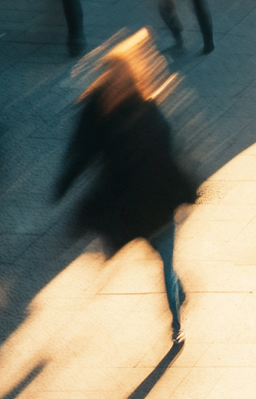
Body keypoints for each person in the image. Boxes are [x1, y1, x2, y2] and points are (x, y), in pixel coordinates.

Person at [55, 35, 198, 345]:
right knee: (159, 255)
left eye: (120, 74)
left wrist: (180, 185)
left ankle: (176, 324)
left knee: (165, 260)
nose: (115, 81)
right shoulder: (96, 110)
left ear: (131, 74)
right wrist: (64, 182)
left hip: (157, 200)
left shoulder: (144, 107)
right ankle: (177, 286)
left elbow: (166, 150)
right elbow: (82, 150)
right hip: (128, 203)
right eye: (110, 74)